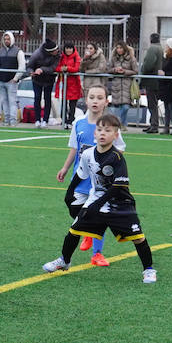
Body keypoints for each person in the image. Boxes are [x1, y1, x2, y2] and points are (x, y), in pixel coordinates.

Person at [41, 113, 157, 281]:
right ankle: (65, 261)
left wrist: (97, 204)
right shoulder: (88, 154)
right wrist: (69, 193)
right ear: (95, 134)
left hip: (120, 203)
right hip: (96, 199)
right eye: (100, 130)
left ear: (115, 135)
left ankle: (148, 269)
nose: (102, 133)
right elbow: (81, 175)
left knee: (138, 237)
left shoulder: (117, 157)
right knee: (74, 230)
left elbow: (118, 187)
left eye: (108, 130)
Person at [56, 84, 128, 267]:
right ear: (86, 100)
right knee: (77, 210)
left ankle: (97, 253)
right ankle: (87, 233)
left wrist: (110, 163)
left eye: (99, 98)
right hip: (80, 179)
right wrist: (65, 168)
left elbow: (120, 148)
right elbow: (74, 148)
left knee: (99, 213)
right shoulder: (78, 123)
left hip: (101, 181)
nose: (95, 101)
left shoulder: (109, 125)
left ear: (106, 101)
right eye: (92, 97)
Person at [27, 38, 59, 128]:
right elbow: (29, 66)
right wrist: (31, 72)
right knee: (37, 98)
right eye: (54, 50)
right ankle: (37, 120)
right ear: (49, 51)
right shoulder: (36, 54)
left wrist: (42, 69)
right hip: (37, 80)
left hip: (49, 80)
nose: (57, 51)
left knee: (47, 99)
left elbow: (54, 67)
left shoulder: (57, 55)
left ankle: (45, 120)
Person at [106, 41, 139, 128]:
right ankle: (121, 125)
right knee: (116, 107)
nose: (119, 50)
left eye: (121, 48)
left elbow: (136, 71)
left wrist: (125, 71)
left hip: (127, 85)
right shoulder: (113, 59)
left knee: (125, 107)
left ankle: (122, 122)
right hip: (116, 85)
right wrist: (115, 70)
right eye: (117, 48)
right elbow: (108, 69)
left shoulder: (131, 58)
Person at [0, 32, 22, 126]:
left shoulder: (18, 51)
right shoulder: (0, 51)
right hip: (0, 80)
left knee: (12, 101)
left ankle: (13, 120)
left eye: (8, 39)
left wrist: (15, 78)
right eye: (5, 39)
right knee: (3, 101)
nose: (6, 41)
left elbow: (22, 66)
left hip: (11, 81)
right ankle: (6, 120)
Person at [54, 42, 83, 127]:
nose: (68, 50)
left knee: (72, 105)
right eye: (67, 48)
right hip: (63, 83)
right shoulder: (61, 57)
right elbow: (57, 67)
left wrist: (67, 68)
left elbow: (77, 68)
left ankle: (70, 121)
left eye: (70, 48)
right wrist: (61, 69)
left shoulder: (76, 57)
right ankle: (64, 120)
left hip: (74, 84)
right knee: (63, 104)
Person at [140, 33, 164, 133]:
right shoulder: (160, 48)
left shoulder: (153, 49)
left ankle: (154, 125)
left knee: (152, 103)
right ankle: (153, 124)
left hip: (151, 79)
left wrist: (143, 71)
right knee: (154, 103)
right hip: (157, 79)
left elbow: (149, 64)